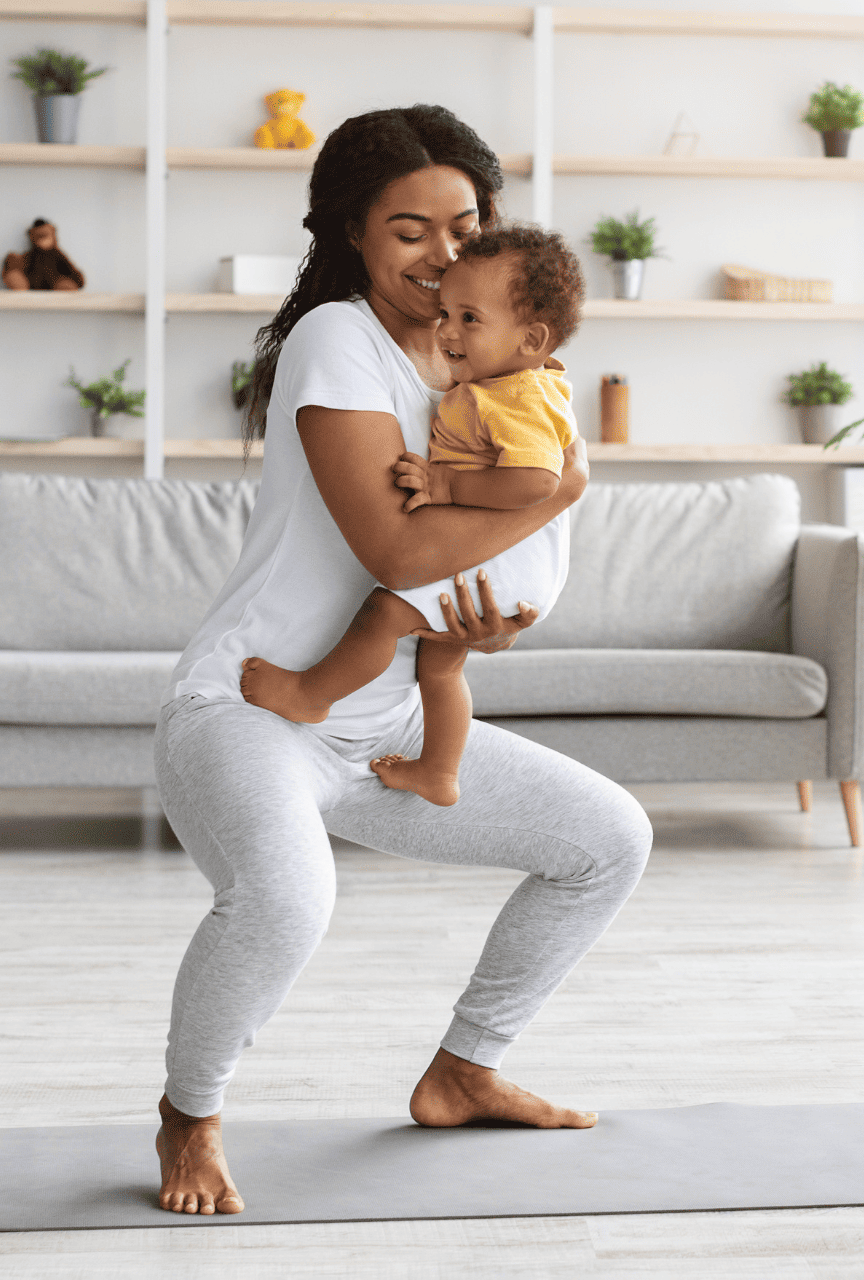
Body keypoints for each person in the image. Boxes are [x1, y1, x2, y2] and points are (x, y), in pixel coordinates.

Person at [153, 104, 653, 1217]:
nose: (441, 256)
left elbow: (454, 567)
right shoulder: (338, 338)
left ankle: (462, 1070)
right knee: (287, 898)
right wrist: (557, 492)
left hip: (383, 724)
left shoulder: (482, 358)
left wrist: (487, 624)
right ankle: (190, 1112)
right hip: (251, 706)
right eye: (408, 231)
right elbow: (395, 546)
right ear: (351, 236)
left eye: (463, 225)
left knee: (608, 838)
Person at [237, 224, 587, 808]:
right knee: (443, 668)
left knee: (383, 613)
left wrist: (446, 482)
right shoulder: (505, 383)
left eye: (468, 319)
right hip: (507, 560)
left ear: (531, 340)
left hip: (502, 555)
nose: (446, 330)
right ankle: (438, 771)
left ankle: (310, 693)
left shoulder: (517, 396)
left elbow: (539, 482)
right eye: (447, 312)